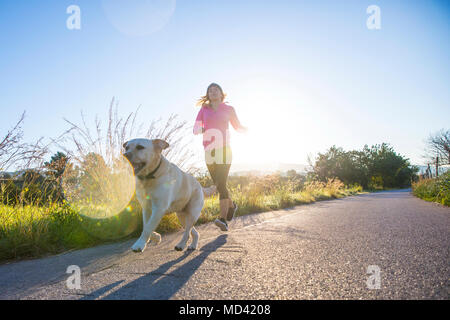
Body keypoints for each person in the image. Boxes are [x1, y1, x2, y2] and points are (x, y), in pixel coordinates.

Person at [193, 83, 247, 231]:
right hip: (209, 151)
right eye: (210, 91)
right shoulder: (204, 110)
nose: (213, 92)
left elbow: (237, 127)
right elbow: (195, 128)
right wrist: (202, 128)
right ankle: (231, 205)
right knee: (220, 184)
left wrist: (249, 130)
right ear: (208, 95)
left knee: (220, 183)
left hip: (225, 150)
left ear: (221, 93)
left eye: (216, 90)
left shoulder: (229, 109)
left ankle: (222, 219)